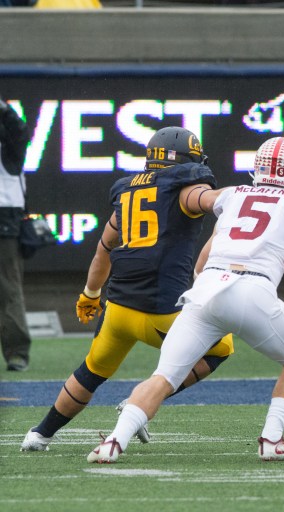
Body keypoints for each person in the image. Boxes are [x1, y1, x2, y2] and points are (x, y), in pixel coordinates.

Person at [86, 136, 284, 463]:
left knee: (163, 377)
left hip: (205, 290)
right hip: (253, 289)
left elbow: (201, 265)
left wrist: (213, 308)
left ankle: (114, 443)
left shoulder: (233, 196)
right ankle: (272, 439)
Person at [21, 126, 235, 451]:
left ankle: (40, 434)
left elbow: (103, 249)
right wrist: (249, 195)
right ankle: (140, 401)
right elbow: (210, 199)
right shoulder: (186, 190)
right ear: (185, 161)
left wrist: (90, 293)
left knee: (91, 372)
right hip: (163, 311)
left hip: (118, 309)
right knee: (222, 347)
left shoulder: (128, 194)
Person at [0, 96, 33, 372]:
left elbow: (19, 131)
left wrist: (5, 109)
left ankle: (17, 352)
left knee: (8, 287)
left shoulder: (10, 147)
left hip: (4, 219)